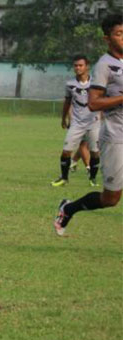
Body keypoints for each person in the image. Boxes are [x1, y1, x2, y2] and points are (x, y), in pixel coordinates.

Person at [54, 13, 123, 235]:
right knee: (111, 199)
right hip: (116, 137)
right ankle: (69, 208)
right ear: (107, 38)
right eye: (119, 34)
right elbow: (93, 103)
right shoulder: (105, 66)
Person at [51, 56, 101, 187]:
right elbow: (67, 102)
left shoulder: (96, 83)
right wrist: (63, 118)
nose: (77, 68)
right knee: (66, 151)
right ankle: (64, 178)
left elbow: (103, 100)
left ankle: (93, 178)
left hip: (93, 123)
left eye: (80, 65)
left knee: (95, 152)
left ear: (87, 66)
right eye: (75, 66)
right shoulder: (70, 84)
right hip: (77, 123)